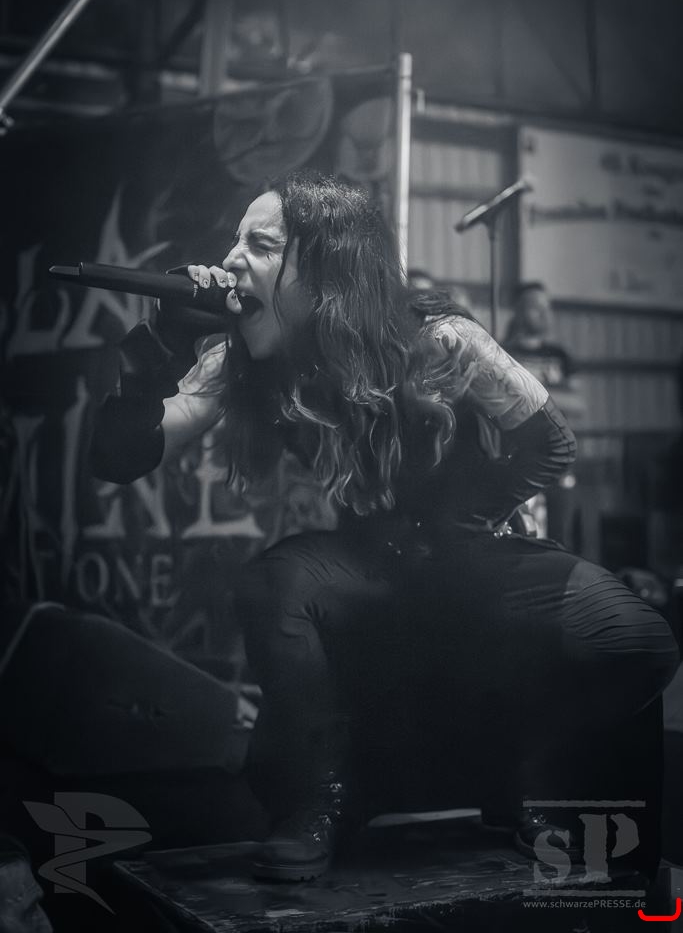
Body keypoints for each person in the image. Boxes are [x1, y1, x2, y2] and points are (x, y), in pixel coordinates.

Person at [90, 173, 679, 884]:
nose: (231, 259)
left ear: (328, 266)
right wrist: (161, 343)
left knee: (638, 641)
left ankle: (540, 777)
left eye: (261, 244)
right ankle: (320, 802)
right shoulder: (242, 359)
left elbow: (550, 444)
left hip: (478, 552)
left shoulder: (436, 339)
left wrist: (465, 515)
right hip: (371, 558)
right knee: (277, 584)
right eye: (234, 241)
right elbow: (119, 456)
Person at [503, 281, 585, 549]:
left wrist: (528, 389)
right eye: (535, 307)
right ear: (518, 310)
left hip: (559, 458)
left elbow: (578, 404)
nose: (544, 313)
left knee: (562, 535)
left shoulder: (560, 355)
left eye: (547, 307)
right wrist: (554, 396)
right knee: (522, 535)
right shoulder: (503, 353)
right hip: (517, 460)